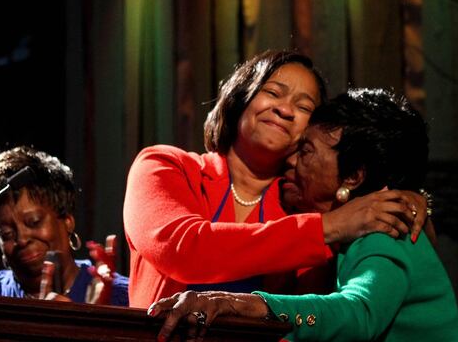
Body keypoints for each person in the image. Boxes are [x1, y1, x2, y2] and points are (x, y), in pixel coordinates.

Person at [123, 51, 431, 308]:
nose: (284, 109)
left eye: (304, 107)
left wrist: (411, 200)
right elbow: (184, 250)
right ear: (240, 98)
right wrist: (330, 227)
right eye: (272, 92)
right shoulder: (164, 166)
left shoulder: (308, 206)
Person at [150, 88, 458, 341]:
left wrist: (251, 306)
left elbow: (358, 314)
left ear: (353, 176)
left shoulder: (386, 232)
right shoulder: (360, 230)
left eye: (306, 151)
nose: (291, 162)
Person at [0, 146, 129, 305]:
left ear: (67, 220)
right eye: (6, 233)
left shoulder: (119, 296)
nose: (22, 239)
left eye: (34, 222)